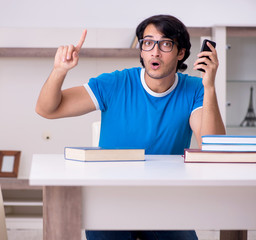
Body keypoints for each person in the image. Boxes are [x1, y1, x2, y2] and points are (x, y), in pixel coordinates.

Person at [36, 14, 225, 240]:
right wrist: (59, 70)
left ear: (181, 52)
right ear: (141, 50)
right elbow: (47, 109)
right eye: (148, 43)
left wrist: (210, 87)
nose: (155, 51)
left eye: (165, 44)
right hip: (110, 199)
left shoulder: (195, 89)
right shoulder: (115, 83)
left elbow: (212, 147)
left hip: (165, 203)